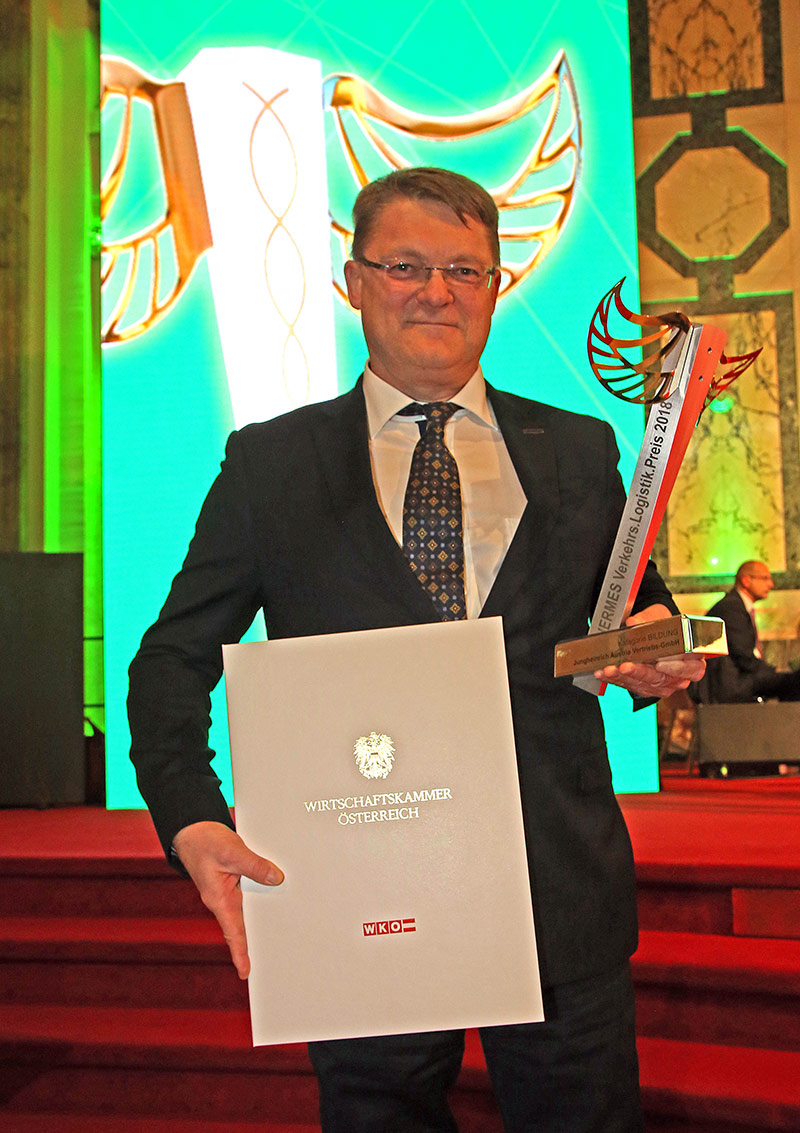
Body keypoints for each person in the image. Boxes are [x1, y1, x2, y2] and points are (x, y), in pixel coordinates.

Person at [128, 166, 704, 1132]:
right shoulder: (271, 463)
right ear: (354, 281)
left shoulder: (579, 449)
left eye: (464, 270)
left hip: (559, 893)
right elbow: (170, 660)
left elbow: (637, 608)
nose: (436, 291)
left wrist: (657, 649)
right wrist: (190, 815)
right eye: (405, 266)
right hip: (356, 896)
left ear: (495, 287)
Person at [696, 561, 800, 703]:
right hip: (730, 685)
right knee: (793, 682)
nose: (771, 584)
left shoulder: (736, 605)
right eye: (765, 578)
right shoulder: (731, 607)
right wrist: (772, 672)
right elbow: (743, 655)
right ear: (746, 580)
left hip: (737, 678)